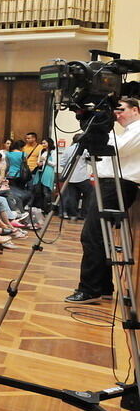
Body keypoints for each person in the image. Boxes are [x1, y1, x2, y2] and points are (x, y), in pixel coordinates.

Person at [68, 98, 139, 303]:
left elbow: (119, 149)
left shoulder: (137, 129)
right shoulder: (125, 132)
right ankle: (104, 286)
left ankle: (90, 289)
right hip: (109, 185)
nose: (117, 114)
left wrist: (100, 131)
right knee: (101, 237)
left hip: (117, 186)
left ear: (136, 110)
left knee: (92, 236)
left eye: (121, 109)